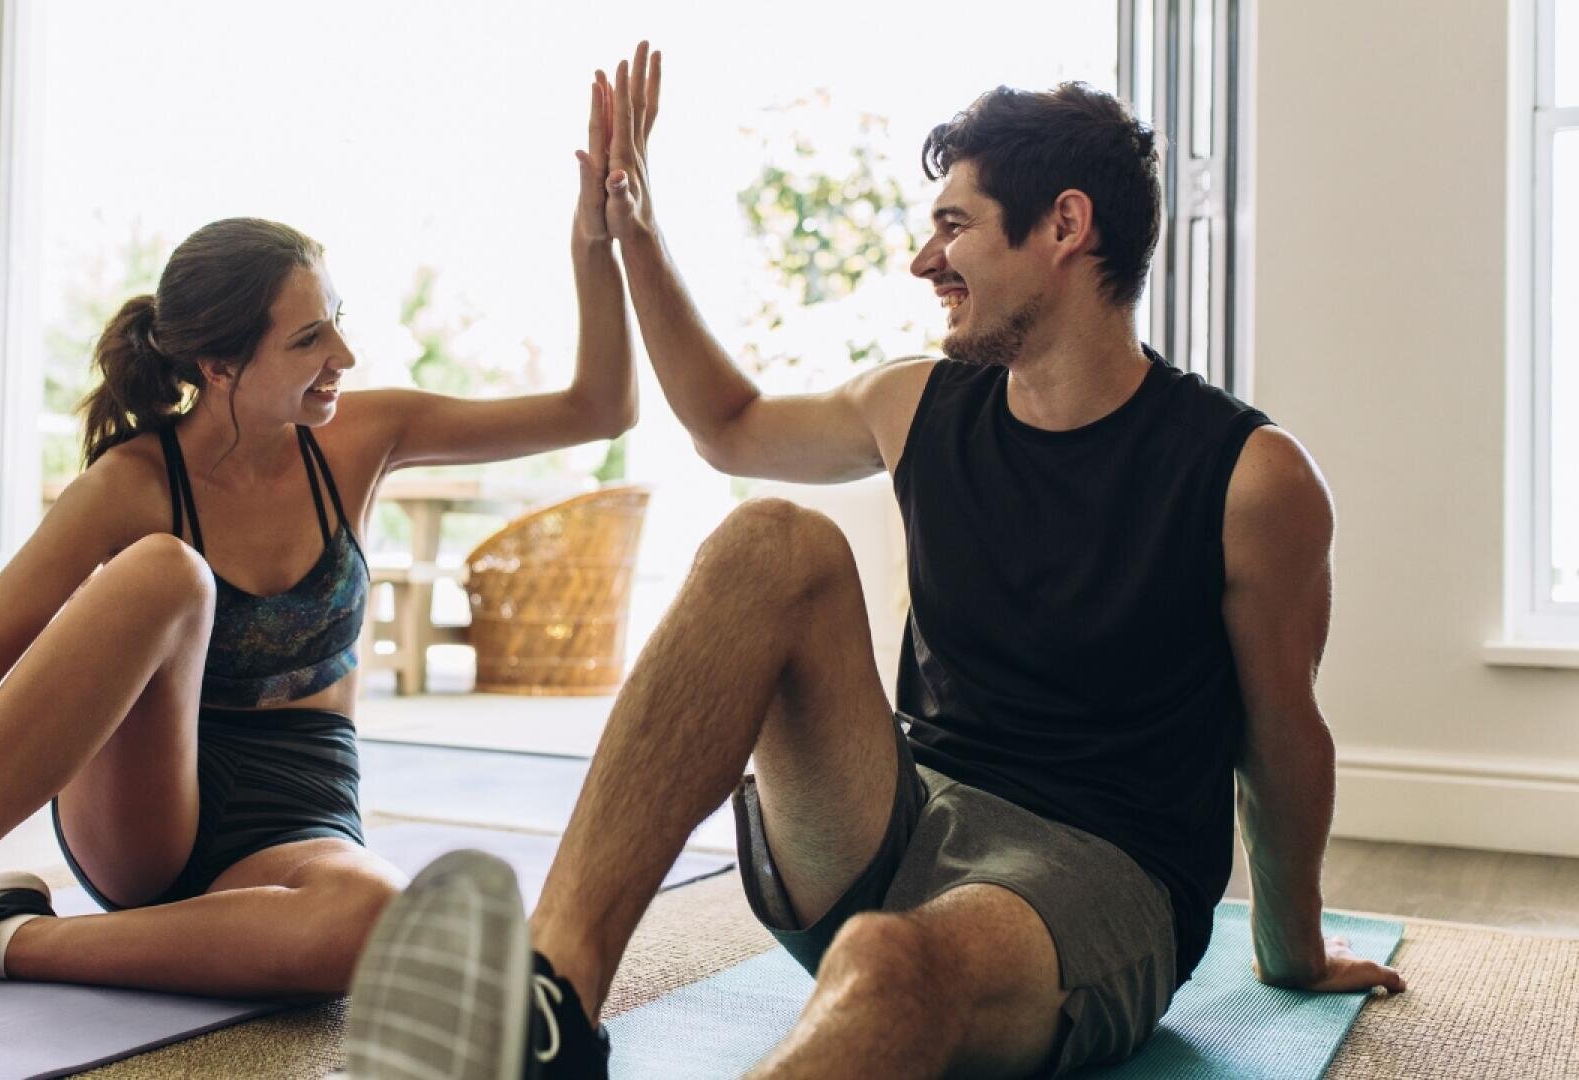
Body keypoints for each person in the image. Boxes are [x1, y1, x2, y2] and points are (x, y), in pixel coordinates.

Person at [340, 42, 1407, 1079]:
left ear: (1065, 227)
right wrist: (638, 236)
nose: (922, 260)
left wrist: (1292, 950)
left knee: (887, 966)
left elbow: (1281, 733)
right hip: (894, 814)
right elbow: (730, 426)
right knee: (772, 539)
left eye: (955, 226)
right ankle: (548, 1011)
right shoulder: (918, 405)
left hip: (1099, 879)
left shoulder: (1250, 475)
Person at [0, 74, 635, 1048]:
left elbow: (600, 407)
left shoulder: (364, 439)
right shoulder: (132, 483)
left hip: (299, 818)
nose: (345, 350)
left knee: (376, 920)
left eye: (337, 316)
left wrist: (597, 245)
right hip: (147, 810)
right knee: (169, 572)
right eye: (308, 337)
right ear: (219, 368)